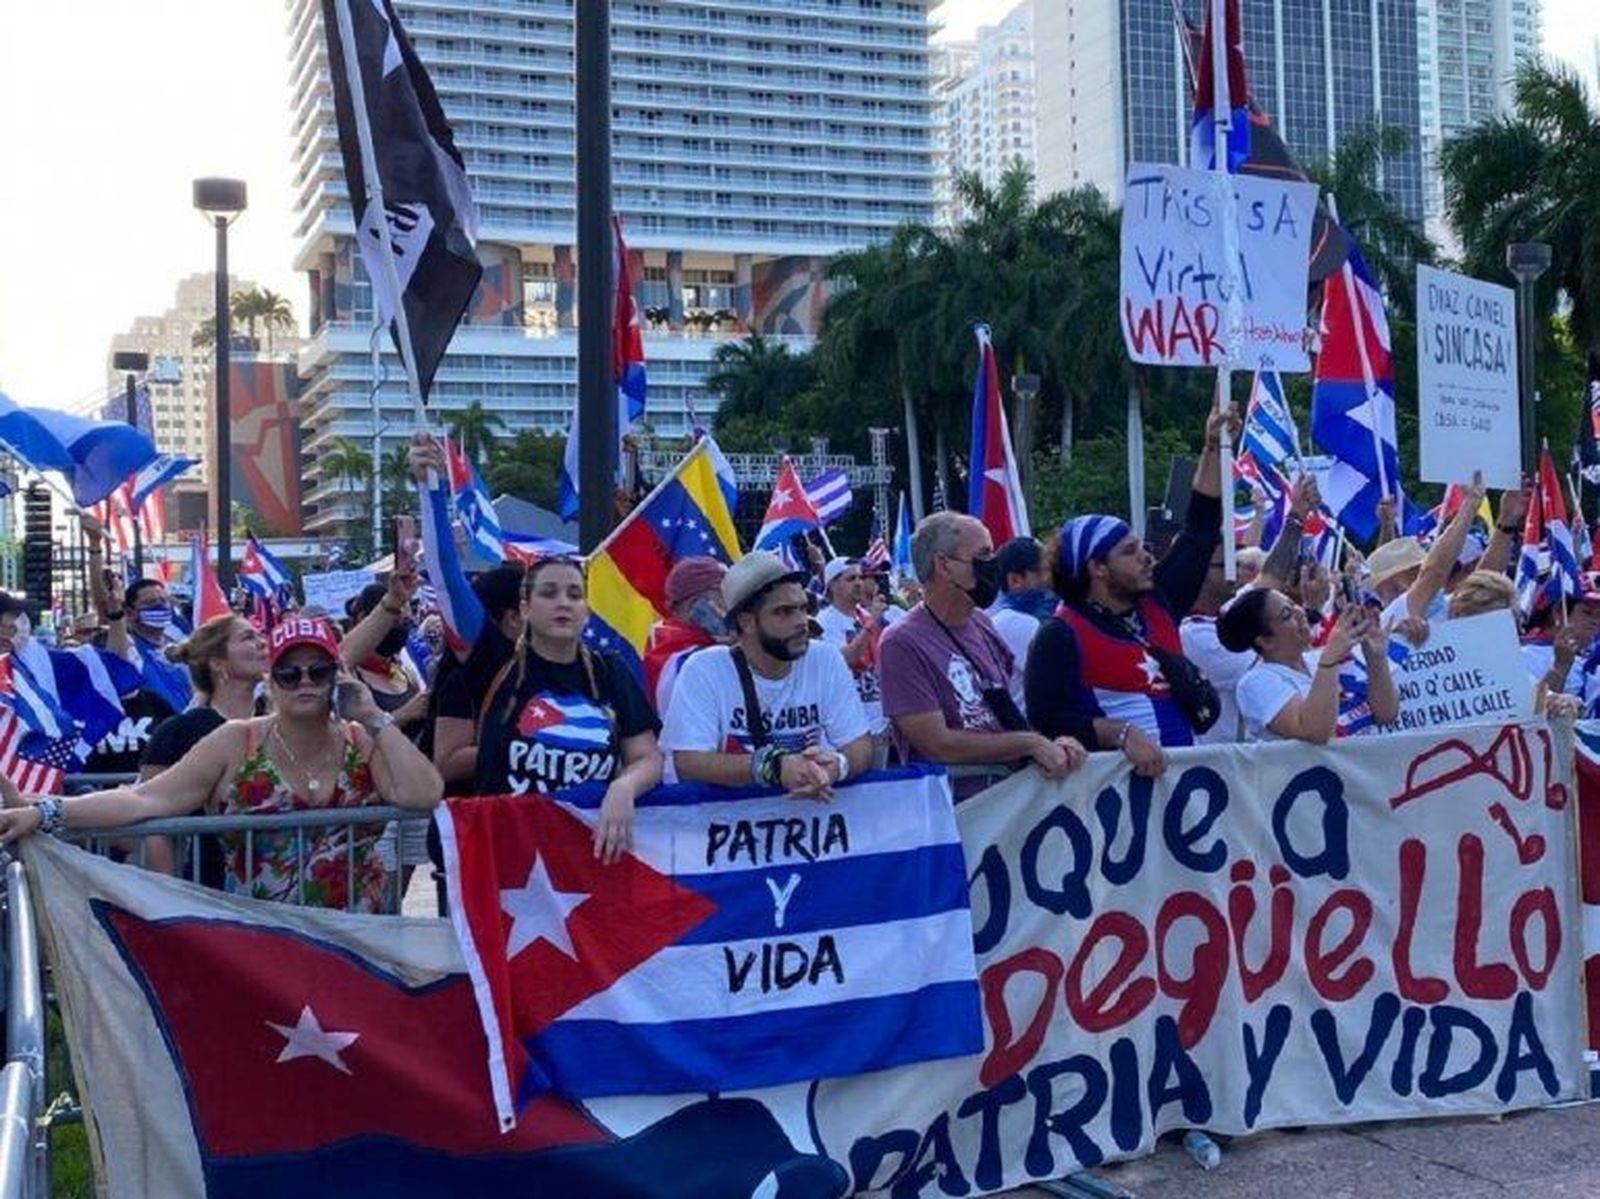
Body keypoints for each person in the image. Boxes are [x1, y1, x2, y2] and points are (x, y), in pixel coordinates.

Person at [0, 617, 443, 912]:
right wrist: (47, 811)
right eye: (290, 673)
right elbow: (144, 800)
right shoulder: (235, 742)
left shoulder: (360, 740)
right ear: (272, 679)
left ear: (337, 677)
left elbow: (424, 793)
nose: (305, 682)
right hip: (255, 943)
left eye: (318, 672)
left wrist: (375, 717)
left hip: (358, 938)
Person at [414, 433, 661, 862]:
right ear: (524, 608)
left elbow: (647, 758)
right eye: (548, 593)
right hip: (508, 865)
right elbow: (446, 575)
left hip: (587, 863)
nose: (563, 602)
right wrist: (430, 490)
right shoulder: (494, 661)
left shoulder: (610, 672)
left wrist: (625, 786)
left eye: (574, 594)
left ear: (587, 609)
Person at [1025, 404, 1235, 776]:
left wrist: (1212, 448)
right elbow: (1048, 723)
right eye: (1130, 551)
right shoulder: (1058, 636)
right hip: (1116, 805)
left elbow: (1200, 531)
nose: (1147, 557)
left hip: (1184, 791)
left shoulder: (1158, 601)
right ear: (1097, 568)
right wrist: (1119, 734)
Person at [877, 513, 1085, 779]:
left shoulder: (982, 623)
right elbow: (937, 745)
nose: (994, 565)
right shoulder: (901, 643)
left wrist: (1052, 744)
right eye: (984, 555)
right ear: (944, 565)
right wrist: (1029, 744)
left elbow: (1005, 712)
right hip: (960, 807)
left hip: (1008, 795)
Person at [661, 551, 874, 796]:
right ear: (747, 622)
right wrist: (772, 767)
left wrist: (836, 767)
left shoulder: (825, 658)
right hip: (731, 825)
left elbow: (860, 746)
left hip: (813, 818)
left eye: (803, 608)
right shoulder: (704, 669)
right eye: (784, 612)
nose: (801, 621)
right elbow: (688, 762)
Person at [140, 614, 270, 883]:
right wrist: (170, 895)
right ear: (218, 663)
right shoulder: (177, 732)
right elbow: (153, 821)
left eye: (260, 635)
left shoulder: (283, 721)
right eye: (248, 637)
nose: (262, 643)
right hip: (213, 888)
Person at [1221, 590, 1399, 743]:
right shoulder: (1256, 682)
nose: (1300, 612)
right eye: (1286, 614)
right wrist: (1330, 659)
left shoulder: (1318, 659)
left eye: (1294, 604)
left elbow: (1386, 714)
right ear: (1265, 641)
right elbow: (1315, 732)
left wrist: (1376, 659)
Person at [430, 564, 524, 794]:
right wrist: (525, 748)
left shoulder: (533, 670)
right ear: (513, 617)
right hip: (471, 816)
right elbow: (446, 763)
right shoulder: (464, 680)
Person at [340, 580, 430, 736]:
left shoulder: (403, 670)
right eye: (395, 620)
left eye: (406, 622)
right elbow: (350, 739)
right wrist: (402, 715)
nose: (402, 627)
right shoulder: (347, 676)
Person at [814, 557, 887, 741]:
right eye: (851, 579)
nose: (859, 583)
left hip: (880, 722)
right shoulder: (824, 621)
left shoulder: (865, 616)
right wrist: (871, 626)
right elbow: (845, 660)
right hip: (850, 727)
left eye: (860, 578)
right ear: (832, 585)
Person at [644, 556, 728, 714]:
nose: (734, 605)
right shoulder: (672, 656)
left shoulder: (714, 643)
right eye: (725, 594)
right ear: (696, 604)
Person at [988, 537, 1054, 717]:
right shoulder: (1019, 624)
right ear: (1015, 580)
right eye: (1044, 572)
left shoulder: (998, 617)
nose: (1051, 581)